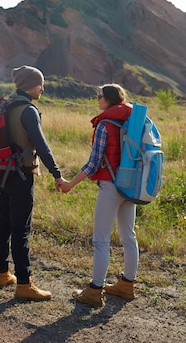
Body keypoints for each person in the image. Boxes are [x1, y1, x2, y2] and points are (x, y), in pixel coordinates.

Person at [59, 83, 138, 307]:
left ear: (109, 99)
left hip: (111, 187)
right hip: (129, 185)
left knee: (101, 240)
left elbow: (93, 164)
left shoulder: (105, 124)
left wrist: (70, 184)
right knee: (128, 236)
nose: (97, 100)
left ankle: (94, 291)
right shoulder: (131, 120)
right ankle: (127, 285)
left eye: (99, 96)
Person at [0, 65, 65, 301]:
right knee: (21, 231)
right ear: (29, 85)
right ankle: (24, 284)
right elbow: (41, 146)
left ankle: (3, 274)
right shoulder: (28, 110)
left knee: (3, 224)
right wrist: (56, 173)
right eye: (39, 84)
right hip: (21, 176)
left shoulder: (5, 105)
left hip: (1, 174)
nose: (42, 88)